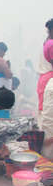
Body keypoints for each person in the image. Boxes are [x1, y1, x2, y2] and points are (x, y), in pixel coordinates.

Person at [37, 18, 53, 160]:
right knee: (49, 122)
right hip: (49, 82)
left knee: (46, 120)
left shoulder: (47, 42)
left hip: (46, 82)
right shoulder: (51, 44)